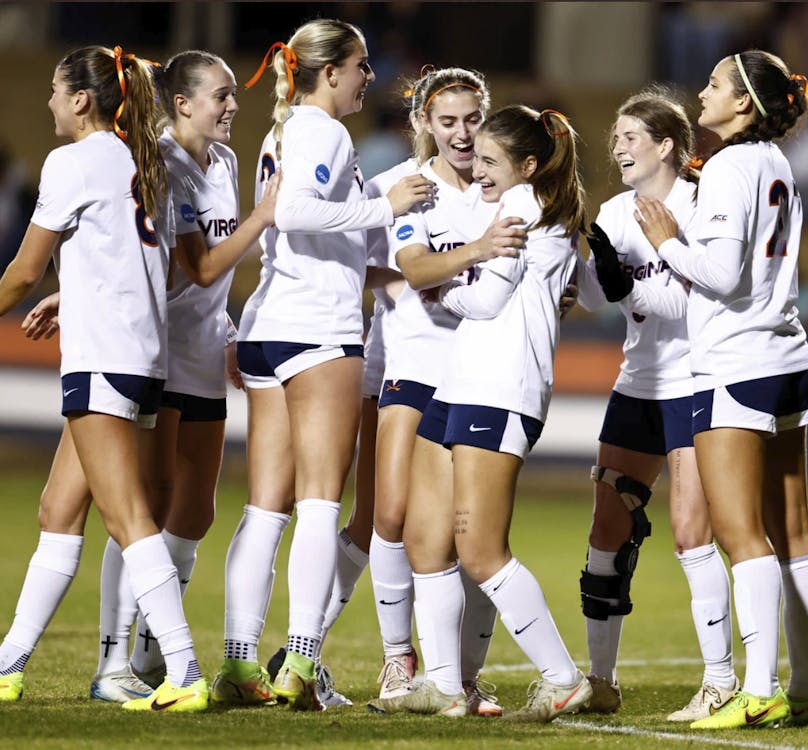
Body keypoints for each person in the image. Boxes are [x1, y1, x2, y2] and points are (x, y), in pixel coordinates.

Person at [213, 18, 433, 711]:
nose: (370, 76)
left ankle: (240, 662)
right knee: (316, 504)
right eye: (362, 64)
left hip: (269, 326)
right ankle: (301, 662)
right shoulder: (323, 130)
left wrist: (387, 270)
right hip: (315, 332)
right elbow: (297, 214)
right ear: (331, 70)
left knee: (265, 508)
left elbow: (307, 227)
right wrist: (383, 203)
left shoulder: (285, 132)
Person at [0, 45, 209, 712]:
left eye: (59, 94)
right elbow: (160, 270)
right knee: (58, 513)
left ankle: (185, 670)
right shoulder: (145, 161)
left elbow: (25, 270)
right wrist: (79, 296)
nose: (51, 104)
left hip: (103, 363)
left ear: (83, 99)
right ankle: (8, 665)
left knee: (129, 519)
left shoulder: (72, 162)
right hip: (143, 361)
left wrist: (59, 294)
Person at [368, 105, 592, 722]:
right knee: (423, 536)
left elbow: (489, 300)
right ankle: (443, 685)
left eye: (491, 160)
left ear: (525, 164)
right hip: (462, 383)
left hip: (499, 387)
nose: (480, 170)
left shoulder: (521, 204)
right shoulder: (529, 205)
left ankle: (563, 677)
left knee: (480, 550)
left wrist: (445, 288)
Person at [634, 50, 808, 729]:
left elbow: (717, 274)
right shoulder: (776, 164)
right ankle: (804, 689)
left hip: (736, 363)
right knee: (795, 530)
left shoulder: (728, 166)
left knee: (741, 534)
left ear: (743, 102)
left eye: (716, 83)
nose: (703, 91)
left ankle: (760, 689)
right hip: (787, 356)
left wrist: (664, 238)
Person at [574, 86, 738, 720]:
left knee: (692, 534)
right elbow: (591, 297)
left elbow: (700, 304)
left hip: (694, 384)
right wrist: (591, 267)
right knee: (605, 533)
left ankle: (719, 680)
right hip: (637, 384)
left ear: (666, 146)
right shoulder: (617, 212)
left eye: (629, 137)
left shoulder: (702, 206)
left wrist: (629, 291)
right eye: (614, 138)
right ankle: (602, 680)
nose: (616, 147)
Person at [368, 66, 525, 711]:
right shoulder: (406, 188)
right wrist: (478, 250)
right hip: (413, 360)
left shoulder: (500, 189)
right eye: (448, 121)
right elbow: (413, 269)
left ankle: (461, 672)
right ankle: (397, 660)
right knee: (393, 515)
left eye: (471, 120)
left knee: (472, 533)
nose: (462, 135)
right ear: (424, 125)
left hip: (480, 371)